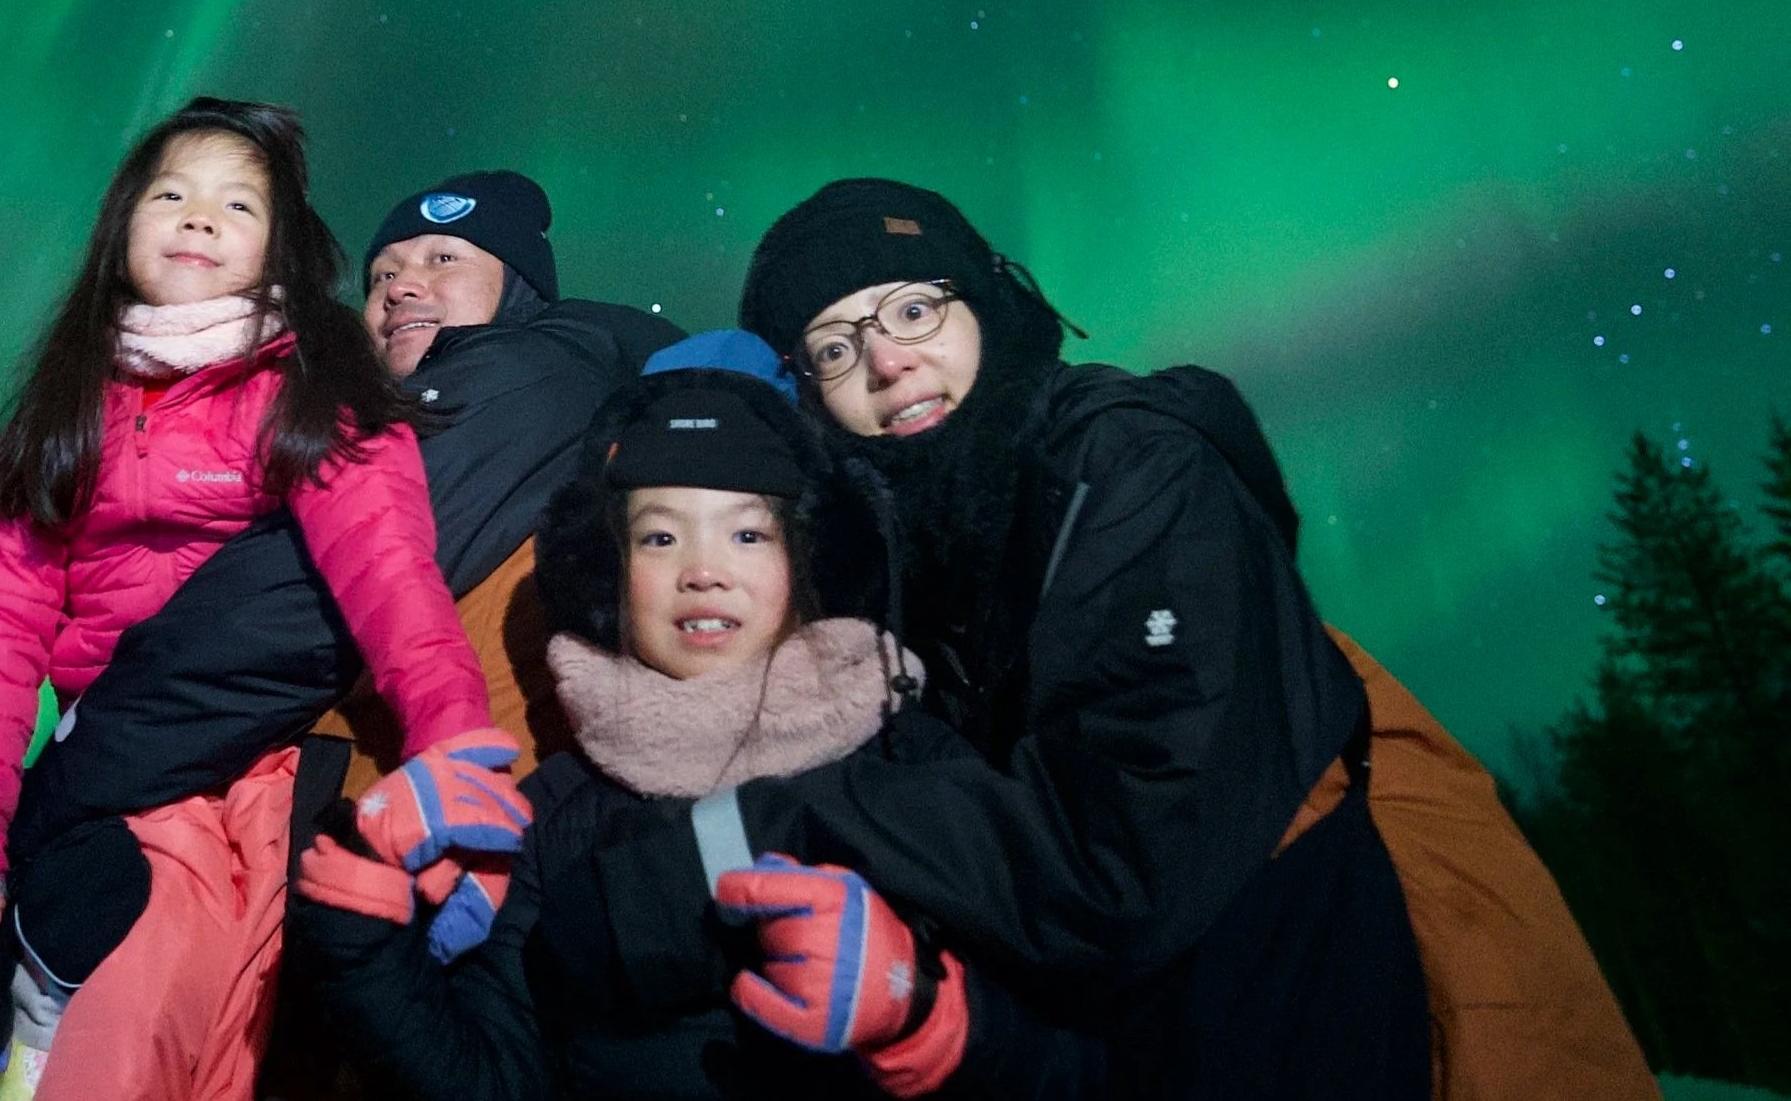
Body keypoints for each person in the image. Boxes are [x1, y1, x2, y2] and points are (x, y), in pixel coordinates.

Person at [582, 179, 1432, 1100]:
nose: (888, 362)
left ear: (987, 303)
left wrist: (744, 843)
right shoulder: (908, 546)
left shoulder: (1131, 469)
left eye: (914, 310)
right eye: (835, 347)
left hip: (1282, 1025)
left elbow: (1125, 853)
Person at [0, 172, 677, 1094]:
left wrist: (66, 784)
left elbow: (268, 614)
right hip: (354, 894)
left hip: (428, 894)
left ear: (518, 289)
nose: (400, 285)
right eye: (383, 273)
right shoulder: (370, 431)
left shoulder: (523, 380)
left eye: (444, 258)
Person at [291, 348, 1107, 1099]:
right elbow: (493, 1079)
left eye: (748, 533)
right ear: (609, 574)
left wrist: (934, 1023)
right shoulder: (555, 809)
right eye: (659, 537)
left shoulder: (916, 764)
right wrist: (363, 935)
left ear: (805, 561)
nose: (703, 571)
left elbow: (1099, 1055)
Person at [0, 100, 523, 1089]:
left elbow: (392, 578)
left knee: (199, 1029)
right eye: (171, 195)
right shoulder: (58, 421)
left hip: (264, 767)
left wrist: (451, 750)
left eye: (238, 203)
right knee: (108, 1019)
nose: (198, 215)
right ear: (119, 228)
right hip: (112, 778)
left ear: (280, 254)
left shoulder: (310, 399)